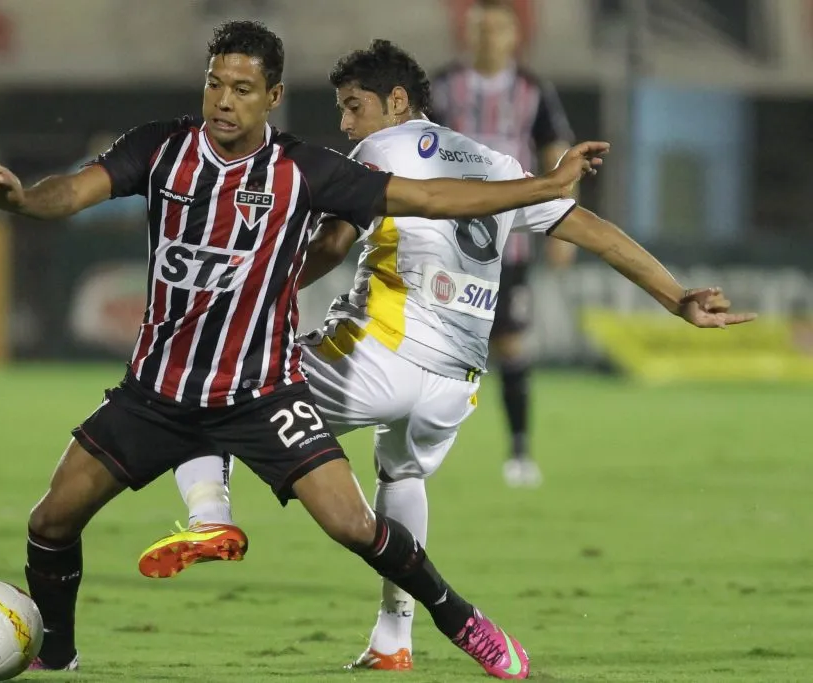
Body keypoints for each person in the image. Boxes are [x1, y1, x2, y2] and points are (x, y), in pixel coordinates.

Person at [0, 21, 608, 680]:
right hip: (155, 392)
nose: (223, 100)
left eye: (241, 89)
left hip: (260, 394)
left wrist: (541, 187)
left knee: (357, 526)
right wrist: (21, 198)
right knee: (50, 520)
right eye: (215, 84)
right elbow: (72, 191)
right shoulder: (160, 148)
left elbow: (430, 196)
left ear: (272, 96)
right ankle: (58, 655)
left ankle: (464, 621)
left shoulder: (304, 170)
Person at [138, 38, 757, 673]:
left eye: (354, 107)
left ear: (396, 102)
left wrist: (254, 291)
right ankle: (392, 637)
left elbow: (330, 242)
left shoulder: (380, 150)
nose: (346, 124)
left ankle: (211, 513)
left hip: (379, 355)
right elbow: (594, 232)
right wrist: (676, 296)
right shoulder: (500, 164)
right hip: (453, 384)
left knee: (210, 380)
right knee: (402, 475)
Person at [434, 0, 577, 487]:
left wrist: (562, 225)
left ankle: (519, 450)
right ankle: (421, 449)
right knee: (429, 342)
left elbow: (557, 152)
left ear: (514, 36)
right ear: (467, 34)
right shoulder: (441, 86)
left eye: (496, 29)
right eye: (479, 29)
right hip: (443, 238)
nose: (487, 38)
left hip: (507, 243)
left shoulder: (532, 91)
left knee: (510, 341)